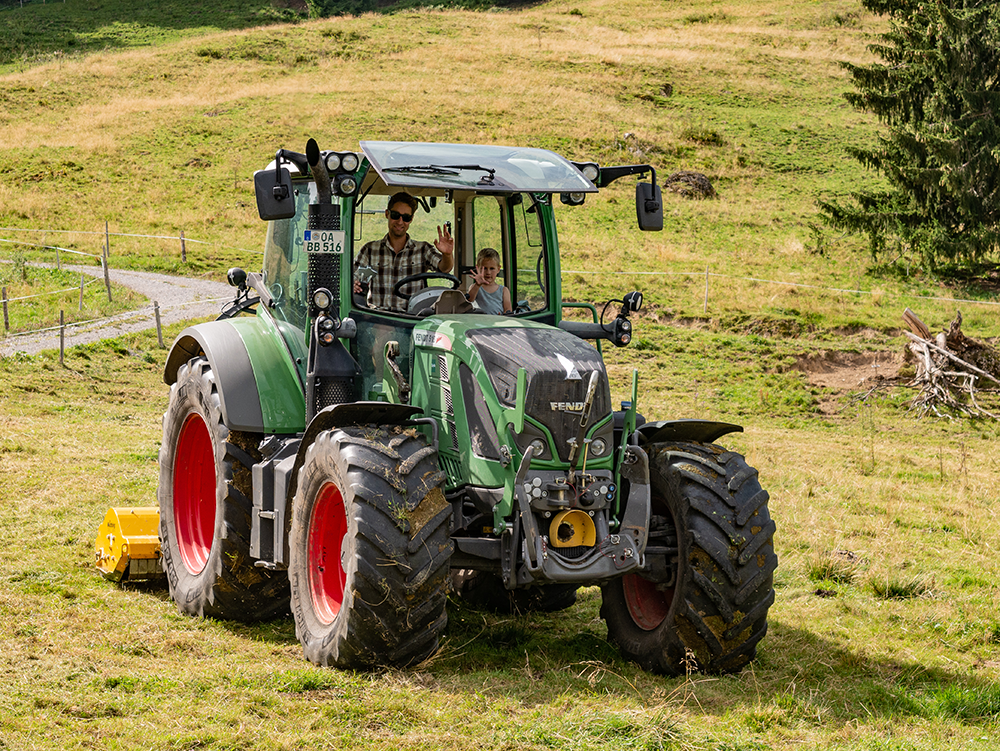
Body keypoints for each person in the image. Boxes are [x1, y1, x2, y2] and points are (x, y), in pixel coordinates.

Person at [353, 192, 454, 311]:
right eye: (395, 215)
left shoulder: (422, 250)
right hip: (379, 317)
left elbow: (444, 268)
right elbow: (356, 278)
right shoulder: (370, 250)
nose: (400, 222)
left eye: (406, 217)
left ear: (411, 219)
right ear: (387, 214)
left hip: (412, 317)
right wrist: (354, 284)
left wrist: (447, 255)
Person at [467, 247, 512, 315]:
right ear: (478, 269)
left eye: (492, 268)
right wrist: (477, 285)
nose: (488, 272)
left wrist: (503, 317)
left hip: (497, 322)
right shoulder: (475, 287)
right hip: (479, 322)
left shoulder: (504, 290)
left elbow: (508, 310)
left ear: (498, 269)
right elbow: (469, 300)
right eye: (484, 268)